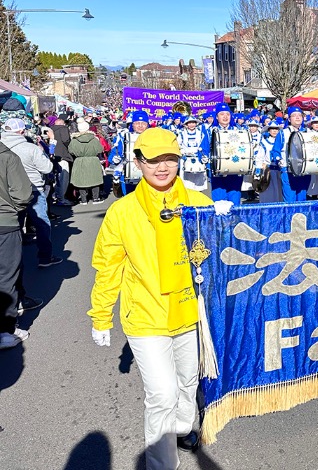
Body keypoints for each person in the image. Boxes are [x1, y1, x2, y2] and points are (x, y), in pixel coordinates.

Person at [89, 128, 215, 469]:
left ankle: (185, 426)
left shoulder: (198, 202)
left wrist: (227, 217)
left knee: (189, 381)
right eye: (153, 160)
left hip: (189, 311)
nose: (162, 167)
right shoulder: (123, 211)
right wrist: (100, 317)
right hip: (145, 316)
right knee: (162, 395)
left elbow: (228, 246)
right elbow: (108, 268)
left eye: (170, 159)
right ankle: (162, 464)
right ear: (138, 162)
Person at [1, 118, 62, 269]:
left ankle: (13, 261)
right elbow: (47, 168)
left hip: (6, 193)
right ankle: (45, 257)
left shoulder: (2, 148)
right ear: (22, 131)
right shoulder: (30, 148)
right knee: (42, 224)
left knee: (14, 226)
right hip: (33, 189)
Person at [0, 138, 32, 350]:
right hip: (4, 224)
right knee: (6, 276)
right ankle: (5, 330)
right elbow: (22, 194)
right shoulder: (8, 158)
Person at [209, 103, 245, 204]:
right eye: (222, 114)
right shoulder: (210, 131)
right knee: (220, 202)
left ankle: (235, 219)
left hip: (235, 169)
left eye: (227, 114)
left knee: (234, 200)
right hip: (217, 172)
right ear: (217, 116)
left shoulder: (239, 130)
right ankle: (221, 220)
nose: (225, 117)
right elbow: (204, 149)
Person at [110, 110, 149, 197]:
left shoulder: (152, 137)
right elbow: (115, 152)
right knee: (129, 200)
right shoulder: (124, 136)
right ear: (132, 124)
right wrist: (114, 159)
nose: (140, 125)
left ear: (147, 124)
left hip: (148, 174)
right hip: (129, 174)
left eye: (143, 123)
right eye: (137, 123)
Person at [69, 120, 105, 205]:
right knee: (95, 180)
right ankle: (96, 198)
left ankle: (83, 199)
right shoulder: (94, 139)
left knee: (81, 180)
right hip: (93, 160)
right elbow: (100, 149)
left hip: (80, 160)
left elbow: (70, 150)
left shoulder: (74, 140)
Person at [279, 106, 310, 202]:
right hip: (288, 170)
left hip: (304, 170)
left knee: (302, 199)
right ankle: (289, 217)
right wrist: (279, 160)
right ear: (289, 119)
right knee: (289, 199)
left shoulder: (308, 132)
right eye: (294, 116)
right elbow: (276, 150)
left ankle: (301, 217)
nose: (297, 117)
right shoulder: (283, 133)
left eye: (299, 115)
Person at [177, 116, 210, 192]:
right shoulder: (182, 133)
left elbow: (205, 145)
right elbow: (178, 145)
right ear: (186, 124)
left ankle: (199, 196)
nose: (191, 125)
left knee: (199, 181)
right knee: (187, 181)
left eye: (193, 123)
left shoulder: (201, 134)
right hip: (186, 158)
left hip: (198, 158)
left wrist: (203, 155)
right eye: (189, 123)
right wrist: (182, 152)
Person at [254, 120, 284, 204]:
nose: (274, 131)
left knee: (280, 192)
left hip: (280, 170)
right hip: (268, 171)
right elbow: (259, 157)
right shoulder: (264, 142)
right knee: (268, 193)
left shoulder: (283, 142)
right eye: (272, 129)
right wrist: (258, 170)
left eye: (276, 129)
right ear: (269, 130)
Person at [51, 114, 74, 206]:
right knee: (64, 178)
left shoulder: (51, 129)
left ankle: (55, 196)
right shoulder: (63, 129)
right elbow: (66, 140)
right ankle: (61, 198)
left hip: (53, 156)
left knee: (55, 178)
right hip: (63, 155)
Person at [306, 116, 318, 200]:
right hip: (310, 157)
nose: (317, 125)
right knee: (310, 176)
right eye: (315, 123)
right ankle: (308, 194)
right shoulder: (307, 133)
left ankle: (316, 194)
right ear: (311, 124)